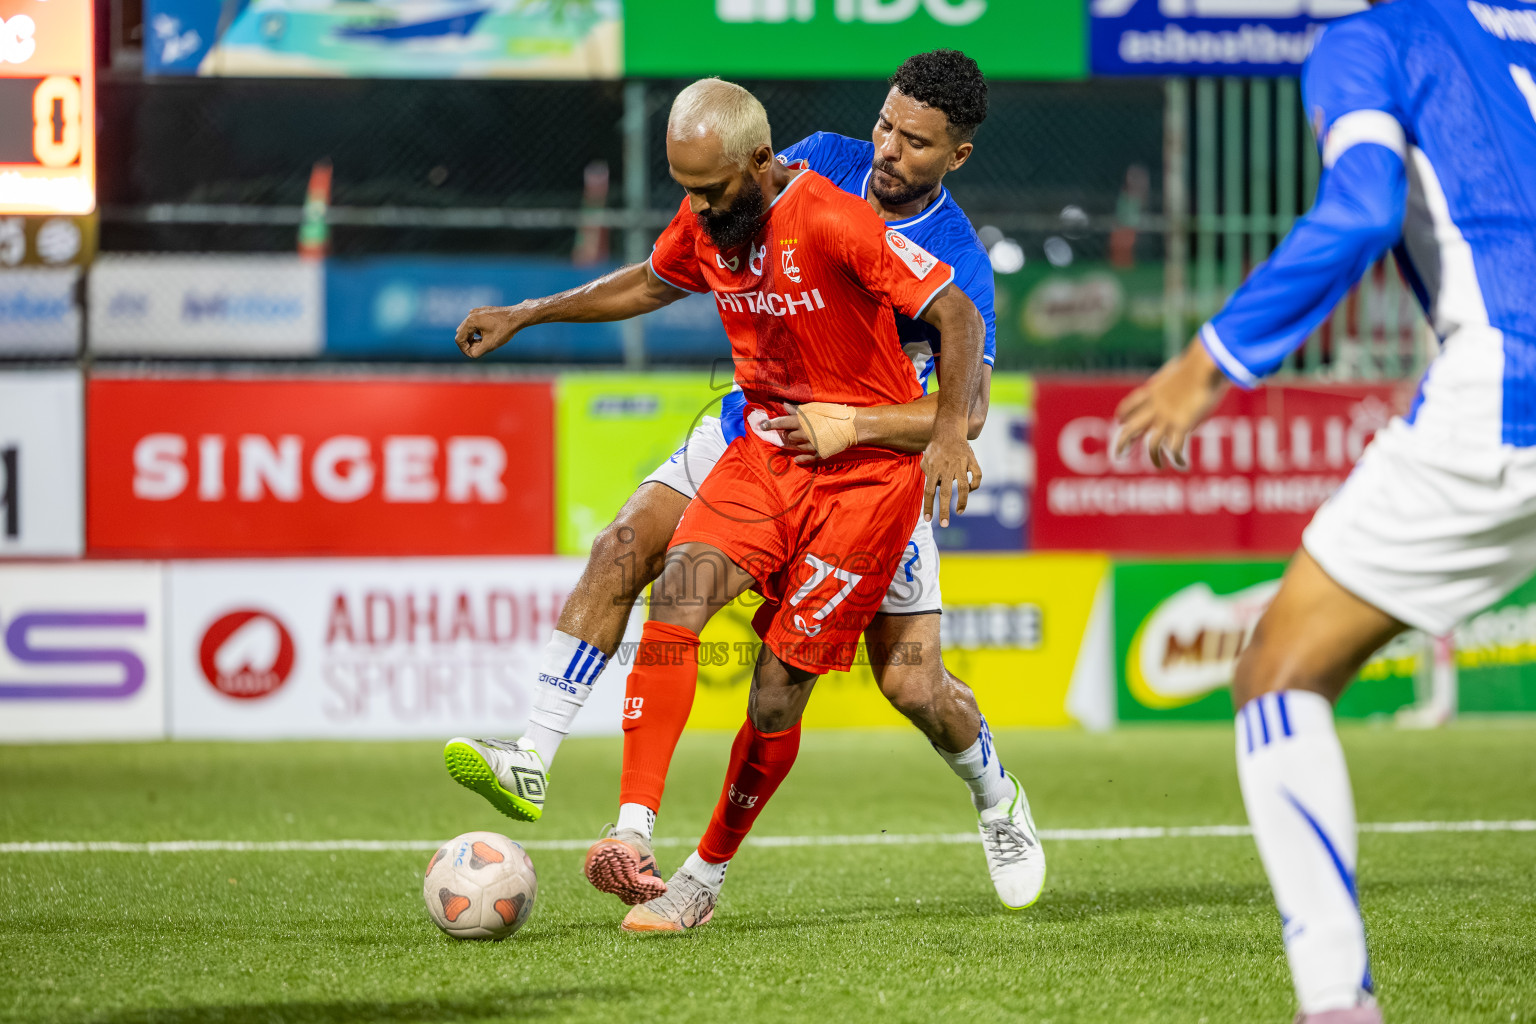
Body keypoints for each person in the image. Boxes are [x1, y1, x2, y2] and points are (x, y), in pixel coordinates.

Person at [445, 51, 1046, 918]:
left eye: (915, 143)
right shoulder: (812, 164)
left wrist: (891, 427)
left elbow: (963, 407)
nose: (887, 150)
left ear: (956, 156)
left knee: (910, 686)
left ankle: (996, 796)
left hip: (867, 472)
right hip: (757, 433)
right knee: (632, 553)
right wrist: (531, 311)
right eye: (885, 124)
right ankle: (544, 761)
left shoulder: (953, 259)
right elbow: (680, 260)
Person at [1114, 1, 1536, 1020]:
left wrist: (1212, 359)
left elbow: (1359, 208)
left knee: (1277, 674)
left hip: (1509, 383)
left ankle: (1335, 999)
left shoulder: (1372, 39)